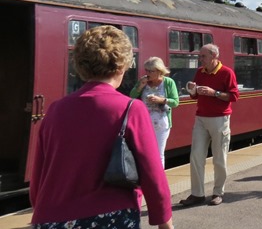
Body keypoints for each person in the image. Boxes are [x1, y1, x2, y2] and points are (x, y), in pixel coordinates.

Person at [29, 25, 173, 229]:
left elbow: (39, 177)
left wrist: (44, 210)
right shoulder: (131, 108)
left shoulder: (55, 110)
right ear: (122, 65)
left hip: (51, 219)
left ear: (80, 65)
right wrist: (164, 221)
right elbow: (153, 174)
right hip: (110, 217)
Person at [179, 44, 239, 207]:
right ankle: (197, 194)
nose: (200, 59)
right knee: (196, 156)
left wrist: (215, 93)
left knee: (219, 158)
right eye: (200, 56)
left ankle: (218, 192)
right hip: (201, 118)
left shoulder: (227, 72)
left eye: (203, 56)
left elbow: (234, 96)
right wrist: (193, 90)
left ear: (213, 56)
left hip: (220, 119)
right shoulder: (200, 72)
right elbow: (195, 97)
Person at [129, 57, 180, 167]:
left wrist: (162, 100)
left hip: (161, 124)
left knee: (158, 154)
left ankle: (158, 180)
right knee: (144, 152)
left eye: (150, 71)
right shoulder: (143, 81)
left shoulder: (168, 82)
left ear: (159, 71)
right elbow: (131, 96)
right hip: (144, 123)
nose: (147, 73)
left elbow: (175, 102)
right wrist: (140, 86)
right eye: (146, 70)